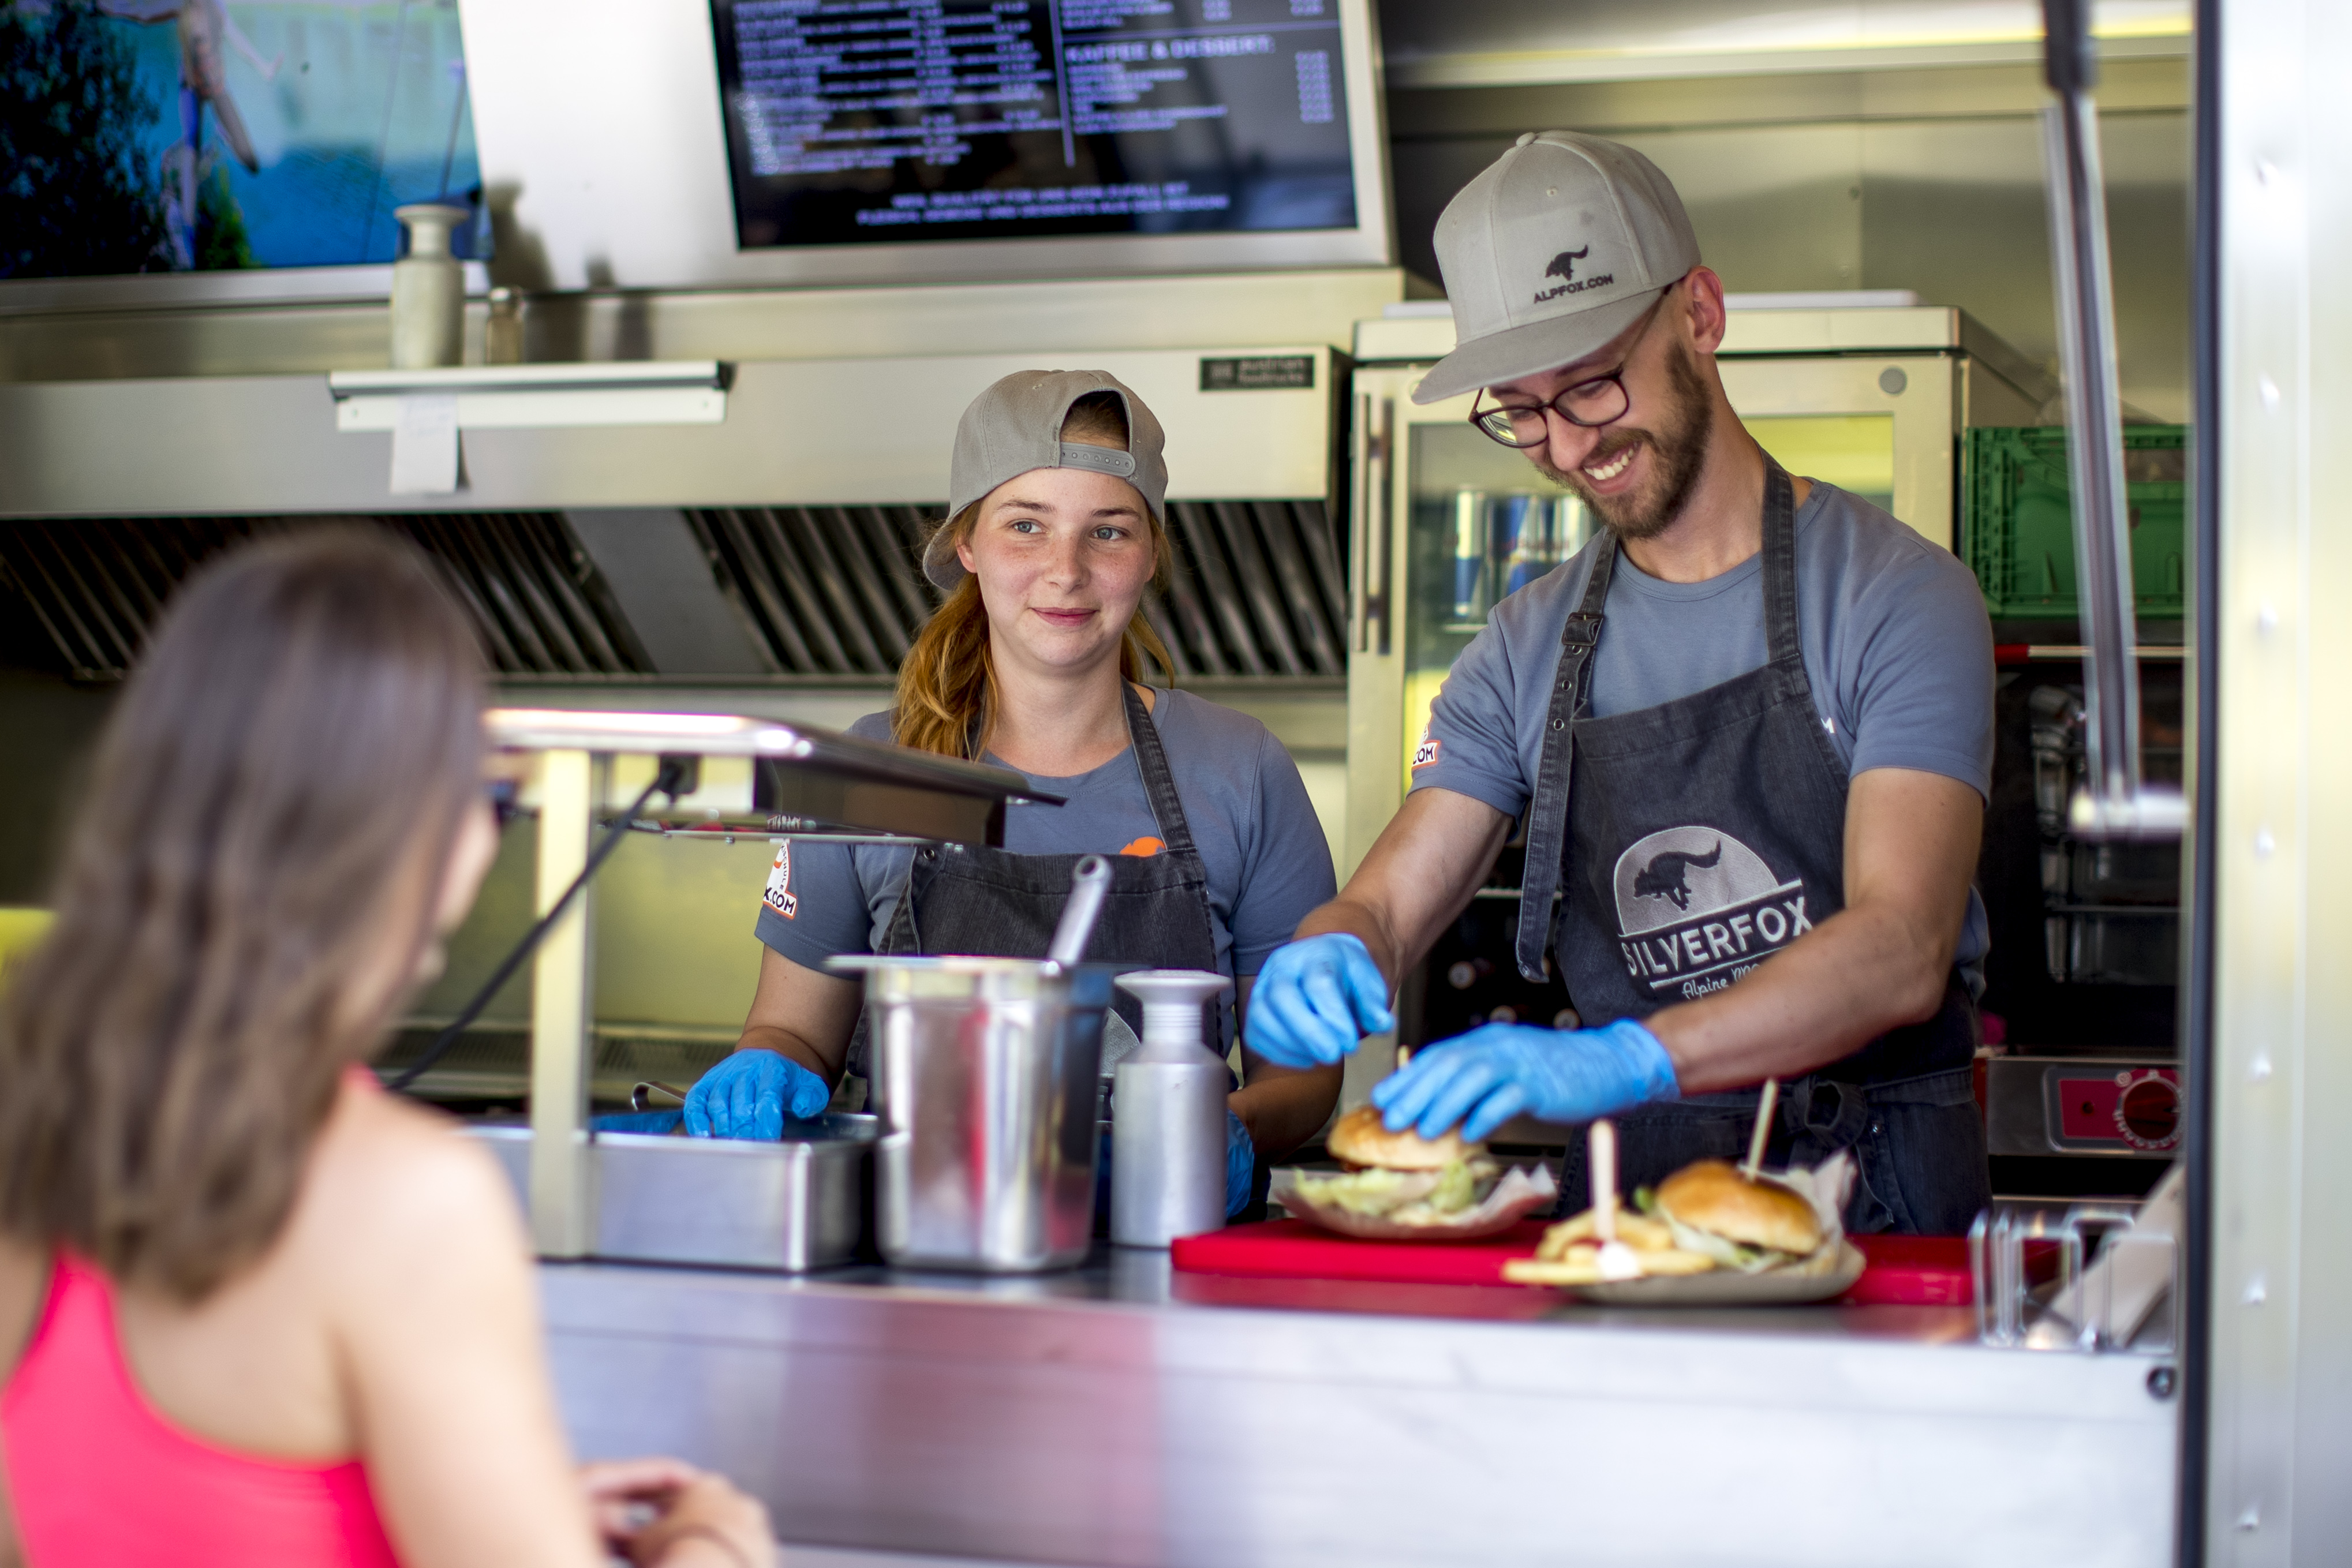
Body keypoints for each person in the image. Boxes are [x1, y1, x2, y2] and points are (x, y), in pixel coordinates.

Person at [1246, 132, 1995, 1234]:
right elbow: (1389, 899)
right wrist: (1335, 945)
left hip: (1880, 1198)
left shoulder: (1895, 595)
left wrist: (1629, 1055)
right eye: (1524, 411)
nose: (1564, 446)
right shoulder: (1522, 646)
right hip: (1632, 1218)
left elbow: (1901, 947)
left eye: (1592, 385)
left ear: (1700, 312)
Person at [0, 532, 775, 1567]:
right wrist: (714, 1553)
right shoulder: (407, 1197)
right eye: (489, 792)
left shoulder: (37, 1116)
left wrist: (494, 1496)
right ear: (421, 825)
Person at [685, 370, 1340, 1217]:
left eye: (1108, 531)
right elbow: (795, 1031)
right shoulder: (867, 774)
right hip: (921, 1253)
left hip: (1169, 1257)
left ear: (1149, 554)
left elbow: (1306, 1078)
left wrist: (1224, 1135)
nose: (1065, 571)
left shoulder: (1242, 769)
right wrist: (767, 1065)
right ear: (969, 544)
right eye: (1026, 525)